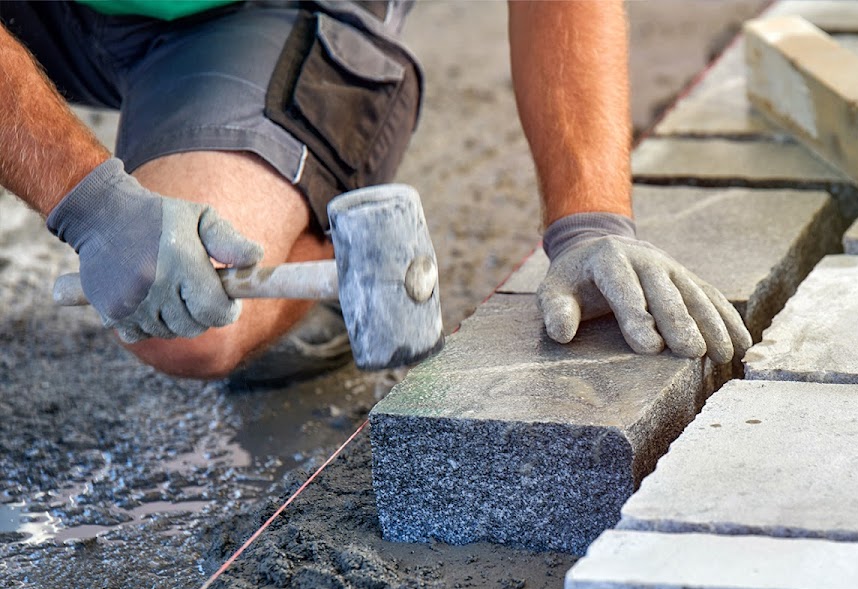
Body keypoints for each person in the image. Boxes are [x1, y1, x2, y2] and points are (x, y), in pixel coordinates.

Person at [0, 0, 751, 387]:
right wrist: (89, 202)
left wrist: (589, 221)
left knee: (186, 327)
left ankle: (343, 253)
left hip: (249, 15)